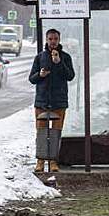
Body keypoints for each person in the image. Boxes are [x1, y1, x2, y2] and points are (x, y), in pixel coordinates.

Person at [29, 29, 75, 172]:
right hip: (42, 101)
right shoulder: (40, 57)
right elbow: (32, 78)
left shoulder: (65, 57)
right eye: (50, 39)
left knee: (56, 132)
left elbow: (70, 76)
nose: (53, 41)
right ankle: (40, 162)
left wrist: (59, 62)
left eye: (55, 39)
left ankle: (54, 162)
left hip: (59, 101)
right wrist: (40, 74)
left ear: (59, 40)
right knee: (41, 132)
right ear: (46, 40)